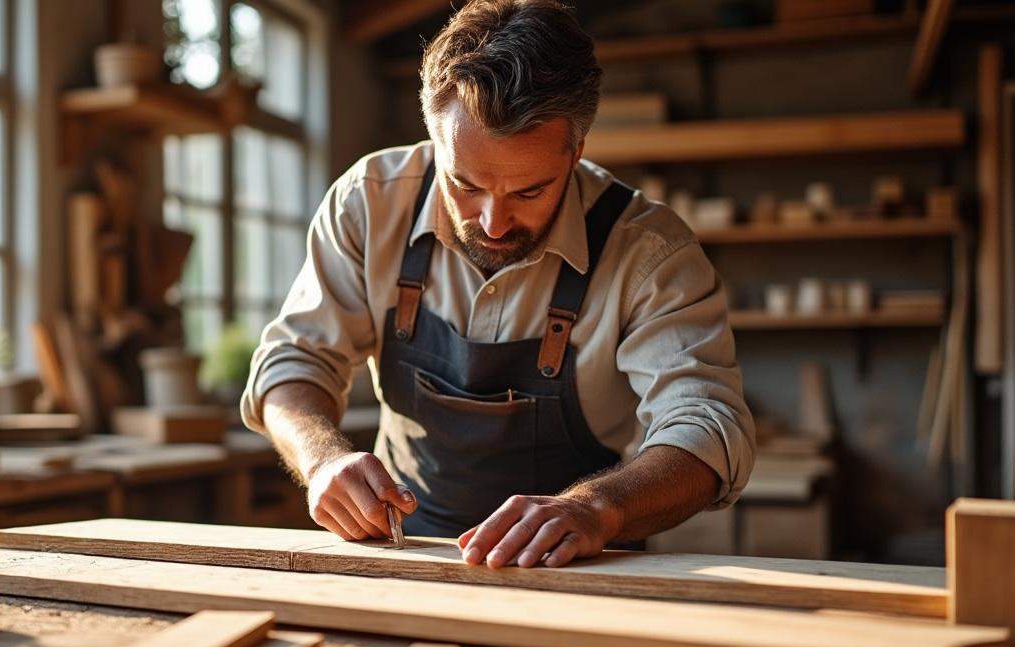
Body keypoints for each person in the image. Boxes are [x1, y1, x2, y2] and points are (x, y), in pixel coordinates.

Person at [240, 0, 755, 569]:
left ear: (576, 153)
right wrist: (321, 460)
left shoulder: (649, 251)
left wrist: (595, 508)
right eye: (464, 185)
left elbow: (709, 427)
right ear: (434, 137)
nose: (493, 223)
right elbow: (294, 362)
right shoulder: (368, 203)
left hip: (581, 561)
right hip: (410, 552)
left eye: (529, 192)